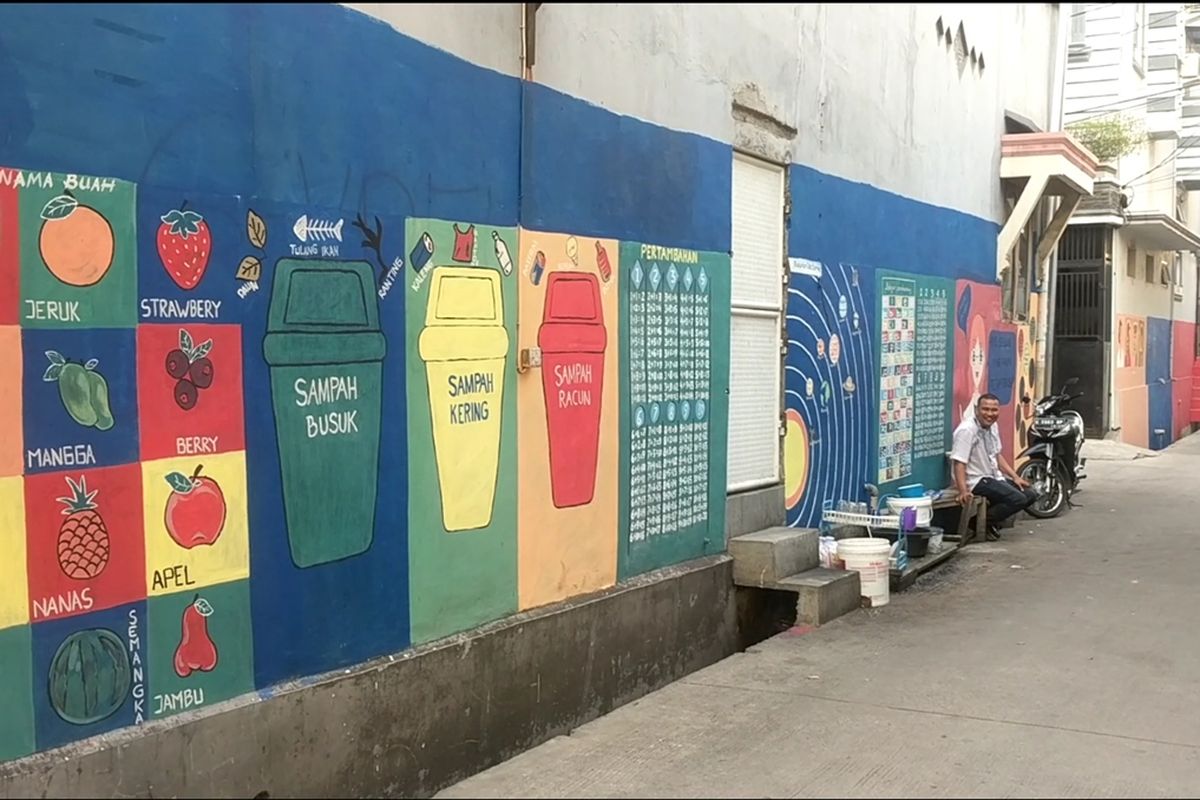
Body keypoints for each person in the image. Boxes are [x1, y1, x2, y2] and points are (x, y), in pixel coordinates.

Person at [951, 393, 1038, 539]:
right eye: (985, 409)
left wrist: (1015, 477)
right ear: (976, 410)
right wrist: (963, 491)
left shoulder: (993, 427)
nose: (990, 414)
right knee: (1018, 499)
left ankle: (988, 522)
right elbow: (959, 462)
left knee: (1030, 494)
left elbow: (997, 455)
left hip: (993, 477)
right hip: (976, 481)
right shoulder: (967, 430)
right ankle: (977, 523)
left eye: (994, 410)